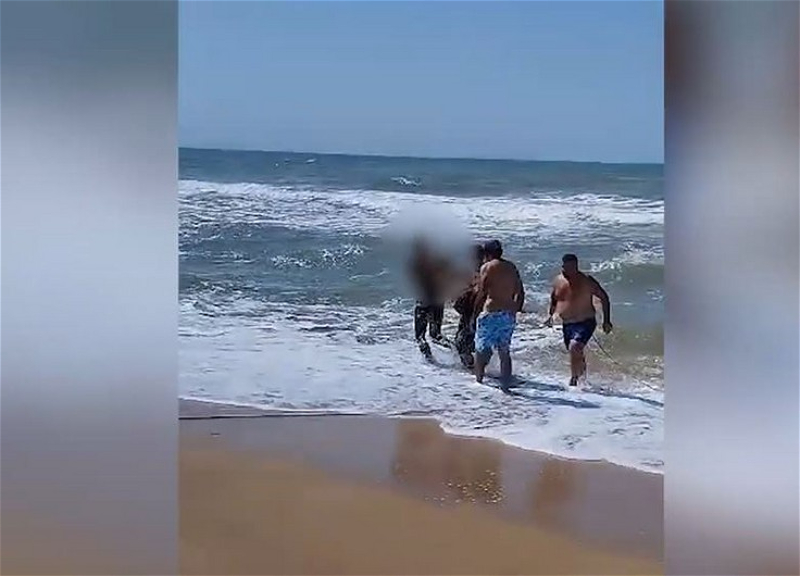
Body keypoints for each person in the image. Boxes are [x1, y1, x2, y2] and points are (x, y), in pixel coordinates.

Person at [545, 253, 613, 387]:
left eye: (574, 267)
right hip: (567, 324)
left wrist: (606, 320)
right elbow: (554, 299)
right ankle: (583, 381)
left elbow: (604, 297)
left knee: (575, 346)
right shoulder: (558, 281)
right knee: (575, 352)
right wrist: (550, 316)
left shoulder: (587, 280)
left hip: (585, 321)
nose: (571, 270)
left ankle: (574, 381)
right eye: (568, 267)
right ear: (563, 266)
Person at [472, 240, 525, 387]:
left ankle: (478, 382)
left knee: (481, 348)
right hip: (508, 314)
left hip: (491, 312)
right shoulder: (511, 267)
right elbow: (520, 292)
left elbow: (482, 292)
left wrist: (475, 313)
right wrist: (515, 309)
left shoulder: (487, 267)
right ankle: (506, 384)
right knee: (504, 350)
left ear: (487, 253)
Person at [408, 237, 449, 358]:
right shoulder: (438, 261)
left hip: (423, 300)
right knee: (436, 334)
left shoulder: (416, 263)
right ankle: (455, 353)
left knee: (420, 336)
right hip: (438, 300)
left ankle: (429, 361)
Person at [453, 243, 486, 369]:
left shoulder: (479, 271)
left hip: (473, 311)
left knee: (461, 342)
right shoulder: (482, 270)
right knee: (470, 342)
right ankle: (475, 367)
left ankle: (472, 369)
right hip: (475, 311)